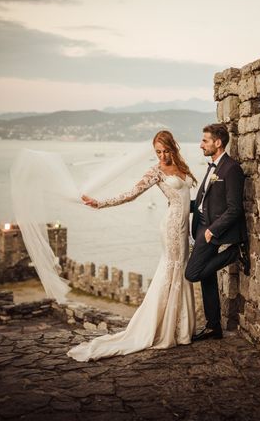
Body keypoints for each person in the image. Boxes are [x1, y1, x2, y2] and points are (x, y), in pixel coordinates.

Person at [67, 130, 197, 362]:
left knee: (181, 272)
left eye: (166, 150)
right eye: (158, 152)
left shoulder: (181, 165)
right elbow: (131, 194)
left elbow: (189, 197)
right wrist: (100, 203)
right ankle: (165, 331)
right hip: (170, 228)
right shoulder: (156, 171)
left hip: (184, 228)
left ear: (173, 147)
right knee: (172, 272)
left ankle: (180, 329)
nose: (163, 156)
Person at [185, 123, 249, 342]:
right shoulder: (213, 167)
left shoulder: (231, 169)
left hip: (211, 230)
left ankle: (234, 253)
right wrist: (181, 204)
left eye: (205, 140)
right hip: (202, 225)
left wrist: (212, 230)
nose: (201, 144)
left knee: (192, 273)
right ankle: (214, 327)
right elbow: (204, 201)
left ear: (218, 143)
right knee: (207, 277)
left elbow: (234, 209)